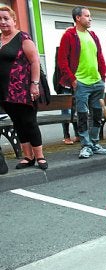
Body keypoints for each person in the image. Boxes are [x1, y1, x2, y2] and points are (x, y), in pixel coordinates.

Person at [58, 6, 106, 160]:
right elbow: (62, 60)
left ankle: (94, 143)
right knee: (82, 115)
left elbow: (99, 56)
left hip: (97, 82)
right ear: (78, 18)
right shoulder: (69, 35)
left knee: (97, 115)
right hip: (81, 83)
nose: (90, 18)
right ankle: (86, 145)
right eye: (87, 16)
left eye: (90, 15)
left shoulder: (93, 35)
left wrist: (103, 76)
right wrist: (73, 80)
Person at [0, 6, 47, 170]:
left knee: (29, 122)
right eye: (0, 19)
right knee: (18, 123)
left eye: (6, 18)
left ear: (14, 20)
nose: (3, 22)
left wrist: (34, 84)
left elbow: (35, 61)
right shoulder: (0, 40)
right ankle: (28, 157)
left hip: (23, 90)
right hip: (5, 91)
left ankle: (40, 157)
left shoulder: (22, 38)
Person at [53, 47, 79, 145]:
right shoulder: (63, 56)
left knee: (72, 112)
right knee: (67, 113)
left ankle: (73, 135)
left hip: (70, 87)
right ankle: (67, 136)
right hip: (66, 88)